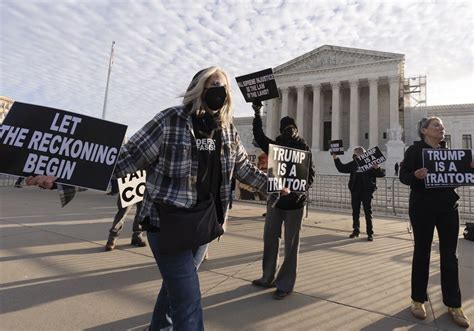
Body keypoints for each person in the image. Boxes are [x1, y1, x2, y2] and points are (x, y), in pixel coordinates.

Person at [27, 67, 269, 331]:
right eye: (212, 85)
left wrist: (278, 187)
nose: (219, 91)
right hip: (167, 224)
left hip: (204, 225)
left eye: (223, 87)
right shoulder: (170, 121)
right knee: (188, 300)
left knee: (173, 292)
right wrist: (62, 178)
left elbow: (245, 169)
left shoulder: (228, 131)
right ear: (198, 88)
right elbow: (124, 161)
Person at [399, 117, 470, 327]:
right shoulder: (414, 152)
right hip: (422, 207)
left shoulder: (449, 153)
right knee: (422, 252)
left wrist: (471, 168)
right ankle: (418, 300)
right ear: (424, 130)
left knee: (450, 256)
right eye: (436, 125)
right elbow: (403, 175)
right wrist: (415, 175)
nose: (441, 128)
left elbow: (462, 175)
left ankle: (454, 304)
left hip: (448, 207)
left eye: (442, 126)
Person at [251, 101, 315, 300]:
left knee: (291, 245)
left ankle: (285, 284)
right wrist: (257, 113)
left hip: (295, 203)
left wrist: (300, 190)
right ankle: (267, 277)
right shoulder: (275, 147)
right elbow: (259, 136)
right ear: (281, 130)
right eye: (287, 127)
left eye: (293, 127)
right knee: (270, 239)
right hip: (275, 201)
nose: (290, 130)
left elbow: (310, 175)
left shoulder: (304, 148)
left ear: (297, 129)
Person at [332, 147, 385, 241]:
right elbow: (342, 168)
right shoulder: (354, 164)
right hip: (355, 190)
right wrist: (335, 158)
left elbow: (381, 174)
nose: (358, 155)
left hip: (367, 191)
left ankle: (370, 233)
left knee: (368, 212)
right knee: (355, 212)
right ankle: (356, 230)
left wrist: (377, 167)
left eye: (361, 153)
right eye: (357, 154)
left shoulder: (370, 163)